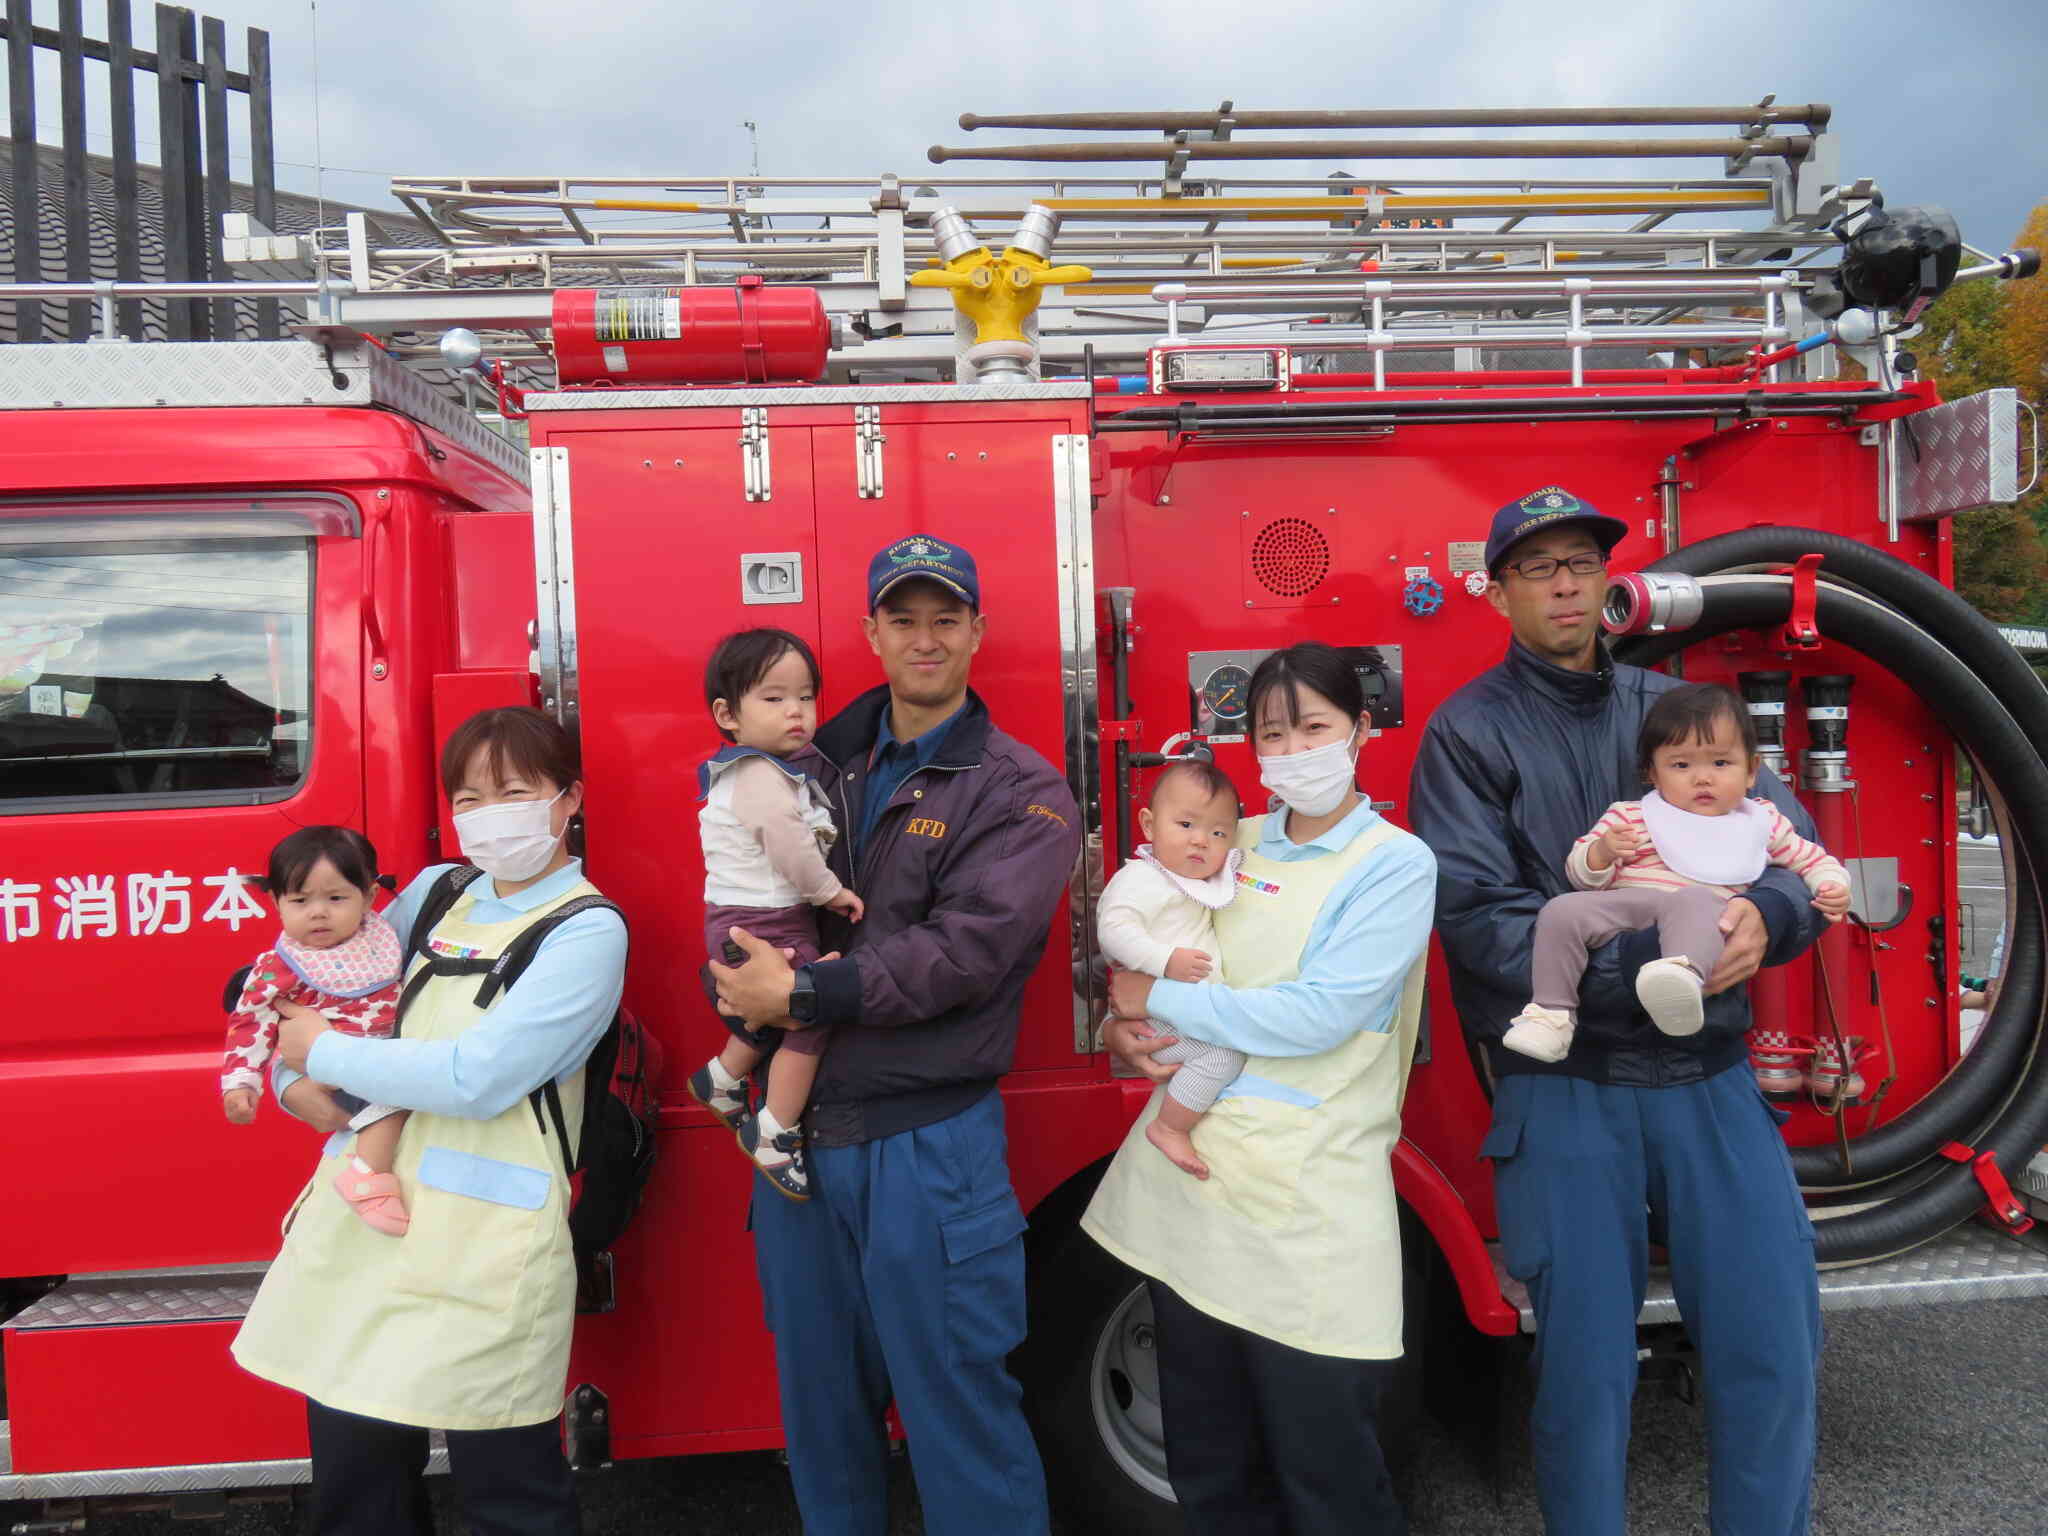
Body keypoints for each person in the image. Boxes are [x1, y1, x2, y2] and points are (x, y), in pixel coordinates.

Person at [1408, 485, 1824, 1536]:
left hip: (1711, 1085)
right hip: (1568, 1092)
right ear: (1496, 589)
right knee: (1583, 1380)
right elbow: (1479, 920)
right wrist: (1650, 970)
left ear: (1607, 580)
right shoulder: (1467, 732)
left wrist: (1768, 920)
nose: (1563, 584)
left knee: (1772, 1351)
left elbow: (1786, 847)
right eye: (1537, 567)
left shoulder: (1679, 710)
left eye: (1581, 563)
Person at [711, 533, 1080, 1536]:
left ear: (976, 632)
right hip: (796, 1153)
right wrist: (736, 977)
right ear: (870, 633)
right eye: (903, 618)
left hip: (928, 1147)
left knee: (960, 1416)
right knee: (822, 1422)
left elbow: (966, 954)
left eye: (945, 619)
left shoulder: (1021, 791)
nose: (925, 639)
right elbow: (742, 887)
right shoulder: (806, 761)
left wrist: (802, 994)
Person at [231, 707, 627, 1536]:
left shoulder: (587, 931)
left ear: (569, 799)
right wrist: (290, 1077)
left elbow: (478, 1076)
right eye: (470, 798)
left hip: (485, 1247)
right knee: (357, 1484)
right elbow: (321, 983)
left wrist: (322, 1052)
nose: (489, 814)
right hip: (369, 1228)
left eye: (514, 792)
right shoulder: (440, 892)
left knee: (508, 1495)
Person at [1084, 641, 1436, 1536]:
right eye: (1272, 733)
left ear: (1361, 729)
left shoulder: (1393, 864)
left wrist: (1155, 997)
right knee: (1212, 1474)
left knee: (1331, 1483)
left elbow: (1319, 1017)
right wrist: (1120, 1024)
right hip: (1195, 1201)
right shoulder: (1225, 843)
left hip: (1307, 1207)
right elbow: (1132, 940)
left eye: (1313, 727)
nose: (1291, 751)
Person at [1505, 682, 1852, 1062]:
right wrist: (1601, 853)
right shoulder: (1631, 816)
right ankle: (1551, 1015)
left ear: (1752, 771)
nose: (1702, 778)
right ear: (1652, 774)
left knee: (1694, 899)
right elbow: (1580, 876)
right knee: (1561, 911)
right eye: (1681, 765)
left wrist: (1831, 884)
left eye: (1721, 763)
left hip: (1703, 916)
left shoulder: (1763, 822)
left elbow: (1811, 859)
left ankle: (1679, 980)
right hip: (1630, 907)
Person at [687, 627, 865, 1200]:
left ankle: (722, 1079)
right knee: (811, 1012)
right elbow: (789, 844)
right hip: (762, 922)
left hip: (749, 918)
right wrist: (830, 892)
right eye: (773, 697)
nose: (796, 711)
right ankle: (774, 1131)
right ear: (727, 715)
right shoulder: (757, 776)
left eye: (806, 696)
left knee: (776, 1012)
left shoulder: (766, 769)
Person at [220, 826, 411, 1234]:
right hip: (331, 1070)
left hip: (374, 1060)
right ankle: (368, 1182)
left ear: (369, 898)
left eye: (336, 898)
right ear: (276, 902)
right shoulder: (280, 966)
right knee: (390, 1107)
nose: (318, 912)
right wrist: (241, 1082)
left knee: (385, 1109)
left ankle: (360, 1177)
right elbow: (250, 1021)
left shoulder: (382, 940)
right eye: (300, 900)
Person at [1094, 758, 1245, 1178]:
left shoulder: (1195, 882)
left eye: (1218, 833)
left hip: (1183, 1010)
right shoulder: (1143, 879)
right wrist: (1164, 961)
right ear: (1148, 825)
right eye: (1185, 825)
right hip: (1159, 1018)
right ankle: (1169, 1127)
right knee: (1223, 1055)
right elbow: (1113, 930)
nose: (1200, 841)